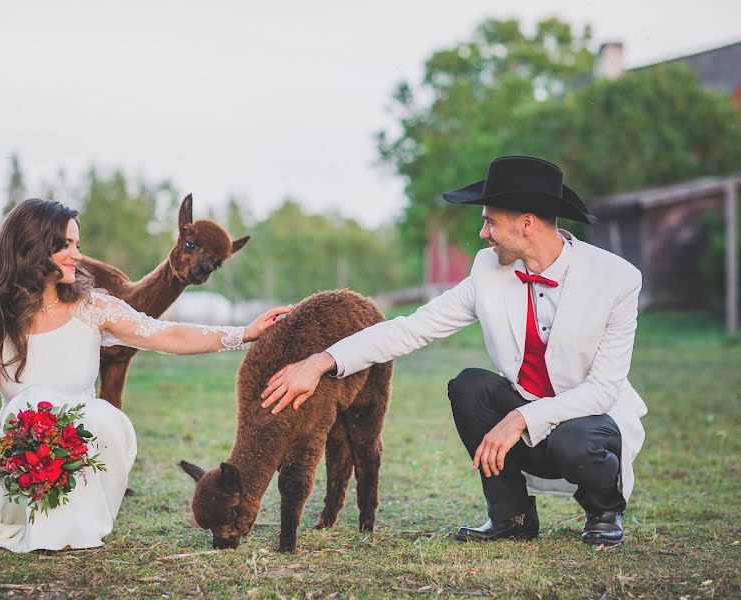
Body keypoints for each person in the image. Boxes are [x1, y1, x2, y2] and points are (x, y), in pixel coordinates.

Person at [261, 156, 646, 546]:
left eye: (490, 221)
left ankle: (603, 511)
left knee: (573, 440)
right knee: (469, 387)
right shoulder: (487, 272)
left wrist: (519, 419)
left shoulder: (617, 279)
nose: (483, 234)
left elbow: (602, 389)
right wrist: (322, 361)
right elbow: (412, 328)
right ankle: (510, 517)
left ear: (526, 223)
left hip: (591, 420)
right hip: (525, 413)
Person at [0, 199, 292, 552]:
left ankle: (77, 515)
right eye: (67, 246)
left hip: (86, 451)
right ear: (32, 248)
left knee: (99, 415)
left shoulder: (94, 307)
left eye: (79, 244)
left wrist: (243, 333)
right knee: (29, 403)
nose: (77, 255)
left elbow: (167, 335)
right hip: (20, 459)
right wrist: (2, 446)